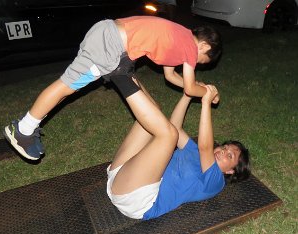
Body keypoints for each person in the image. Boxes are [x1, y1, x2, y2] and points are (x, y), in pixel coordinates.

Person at [3, 15, 222, 160]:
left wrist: (197, 86)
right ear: (204, 46)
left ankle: (28, 126)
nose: (196, 64)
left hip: (109, 36)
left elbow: (171, 76)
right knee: (65, 86)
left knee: (69, 87)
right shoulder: (189, 48)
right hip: (111, 46)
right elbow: (190, 89)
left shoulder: (179, 36)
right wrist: (210, 93)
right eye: (202, 61)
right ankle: (23, 129)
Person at [107, 84, 250, 220]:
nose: (223, 152)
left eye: (229, 156)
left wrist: (206, 103)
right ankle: (123, 71)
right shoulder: (194, 150)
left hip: (137, 199)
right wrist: (187, 95)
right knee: (153, 110)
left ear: (230, 171)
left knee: (168, 135)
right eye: (224, 148)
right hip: (121, 175)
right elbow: (175, 126)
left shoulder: (216, 181)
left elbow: (205, 147)